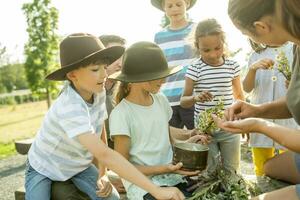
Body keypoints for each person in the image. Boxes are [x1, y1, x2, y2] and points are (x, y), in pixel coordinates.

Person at [25, 33, 185, 200]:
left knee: (112, 198)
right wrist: (156, 190)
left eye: (104, 67)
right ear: (72, 75)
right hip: (45, 167)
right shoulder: (69, 106)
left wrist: (103, 174)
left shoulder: (98, 91)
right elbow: (105, 154)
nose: (104, 75)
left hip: (79, 166)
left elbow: (100, 128)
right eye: (95, 69)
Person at [212, 0, 300, 199]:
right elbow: (296, 100)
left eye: (248, 34)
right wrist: (256, 110)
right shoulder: (297, 46)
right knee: (270, 168)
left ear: (261, 27)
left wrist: (260, 125)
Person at [108, 41, 210, 199]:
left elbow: (163, 133)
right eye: (158, 76)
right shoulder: (121, 114)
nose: (163, 81)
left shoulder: (160, 99)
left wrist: (190, 136)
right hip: (143, 185)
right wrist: (165, 168)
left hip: (173, 177)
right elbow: (123, 166)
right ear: (137, 78)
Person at [180, 18, 245, 175]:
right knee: (209, 170)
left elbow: (239, 96)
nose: (213, 54)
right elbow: (183, 102)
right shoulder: (195, 69)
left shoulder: (232, 66)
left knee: (232, 170)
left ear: (224, 43)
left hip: (229, 127)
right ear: (197, 47)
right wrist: (196, 97)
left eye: (218, 48)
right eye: (206, 50)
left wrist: (243, 121)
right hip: (205, 131)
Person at [244, 41, 299, 179]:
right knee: (261, 166)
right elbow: (246, 88)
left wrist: (293, 84)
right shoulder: (256, 55)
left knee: (287, 166)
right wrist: (252, 69)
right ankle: (263, 190)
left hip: (286, 121)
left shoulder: (293, 50)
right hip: (262, 119)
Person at [152, 0, 198, 129]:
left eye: (178, 4)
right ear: (164, 8)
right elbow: (158, 67)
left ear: (187, 4)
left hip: (193, 97)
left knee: (199, 140)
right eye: (170, 6)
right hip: (168, 98)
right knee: (173, 142)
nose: (174, 9)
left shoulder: (197, 30)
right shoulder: (159, 36)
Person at [99, 34, 126, 149]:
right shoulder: (87, 90)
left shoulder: (126, 87)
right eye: (115, 57)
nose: (120, 64)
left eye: (122, 57)